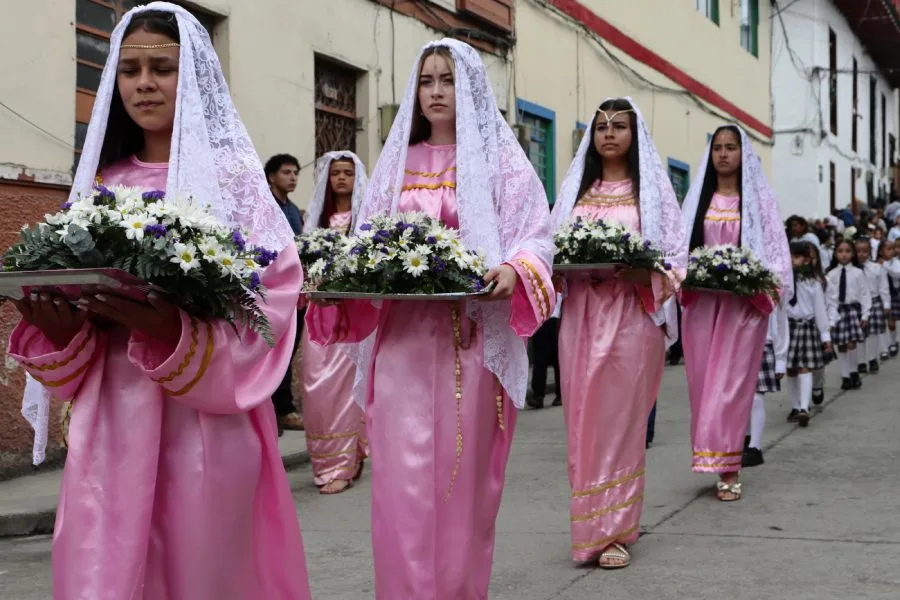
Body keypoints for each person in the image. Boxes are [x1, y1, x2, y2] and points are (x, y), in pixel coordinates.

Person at [9, 5, 310, 598]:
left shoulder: (233, 184)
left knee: (202, 573)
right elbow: (77, 312)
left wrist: (176, 331)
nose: (144, 84)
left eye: (162, 68)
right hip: (110, 424)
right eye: (130, 70)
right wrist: (57, 328)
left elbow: (274, 298)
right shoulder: (101, 183)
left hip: (203, 422)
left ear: (192, 75)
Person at [306, 39, 554, 598]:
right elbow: (367, 241)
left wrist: (515, 267)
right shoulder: (398, 162)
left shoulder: (500, 162)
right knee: (402, 479)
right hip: (402, 344)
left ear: (470, 88)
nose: (437, 91)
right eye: (426, 81)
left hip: (470, 341)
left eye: (447, 80)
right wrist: (339, 281)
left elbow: (536, 235)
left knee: (461, 479)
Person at [551, 97, 686, 568]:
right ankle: (588, 527)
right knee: (582, 420)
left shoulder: (651, 194)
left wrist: (646, 274)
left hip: (631, 317)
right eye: (601, 126)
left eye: (619, 126)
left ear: (635, 134)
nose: (608, 133)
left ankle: (616, 532)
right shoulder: (576, 192)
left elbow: (677, 258)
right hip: (581, 317)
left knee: (622, 423)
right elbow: (548, 250)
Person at [680, 125, 792, 502]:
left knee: (731, 386)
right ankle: (709, 455)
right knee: (703, 385)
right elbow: (679, 249)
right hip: (702, 305)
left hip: (742, 307)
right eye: (717, 148)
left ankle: (730, 468)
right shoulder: (699, 201)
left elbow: (776, 252)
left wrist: (762, 286)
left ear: (744, 154)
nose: (724, 154)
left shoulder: (757, 203)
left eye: (731, 147)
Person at [300, 151, 369, 494]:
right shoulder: (315, 221)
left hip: (351, 312)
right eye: (336, 173)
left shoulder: (365, 221)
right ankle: (324, 460)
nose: (342, 178)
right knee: (316, 385)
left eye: (348, 173)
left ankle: (342, 464)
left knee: (345, 388)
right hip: (319, 311)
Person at [265, 153, 306, 434]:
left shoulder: (292, 209)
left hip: (295, 290)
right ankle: (272, 407)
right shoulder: (265, 206)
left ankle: (284, 407)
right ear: (271, 176)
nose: (292, 178)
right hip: (271, 289)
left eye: (295, 173)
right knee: (270, 348)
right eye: (286, 172)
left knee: (288, 349)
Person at [784, 242, 832, 427]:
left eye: (796, 257)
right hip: (789, 328)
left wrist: (825, 336)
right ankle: (795, 406)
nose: (792, 260)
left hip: (807, 327)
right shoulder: (783, 281)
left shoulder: (813, 283)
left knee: (805, 368)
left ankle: (804, 408)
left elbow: (820, 309)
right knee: (791, 369)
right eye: (789, 256)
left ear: (806, 260)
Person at [825, 239, 869, 390]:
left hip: (852, 310)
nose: (844, 254)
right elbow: (829, 297)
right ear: (835, 254)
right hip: (838, 311)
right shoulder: (831, 274)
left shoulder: (858, 273)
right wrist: (829, 317)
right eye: (840, 251)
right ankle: (845, 376)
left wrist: (865, 314)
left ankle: (854, 372)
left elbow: (864, 293)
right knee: (842, 345)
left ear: (853, 254)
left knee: (852, 343)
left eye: (848, 251)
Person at [855, 237, 891, 372]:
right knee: (859, 334)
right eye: (858, 251)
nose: (861, 254)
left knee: (873, 333)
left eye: (864, 251)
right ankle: (861, 362)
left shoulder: (877, 268)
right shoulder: (853, 270)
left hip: (874, 302)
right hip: (857, 304)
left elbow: (883, 287)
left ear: (870, 252)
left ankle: (872, 359)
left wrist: (886, 304)